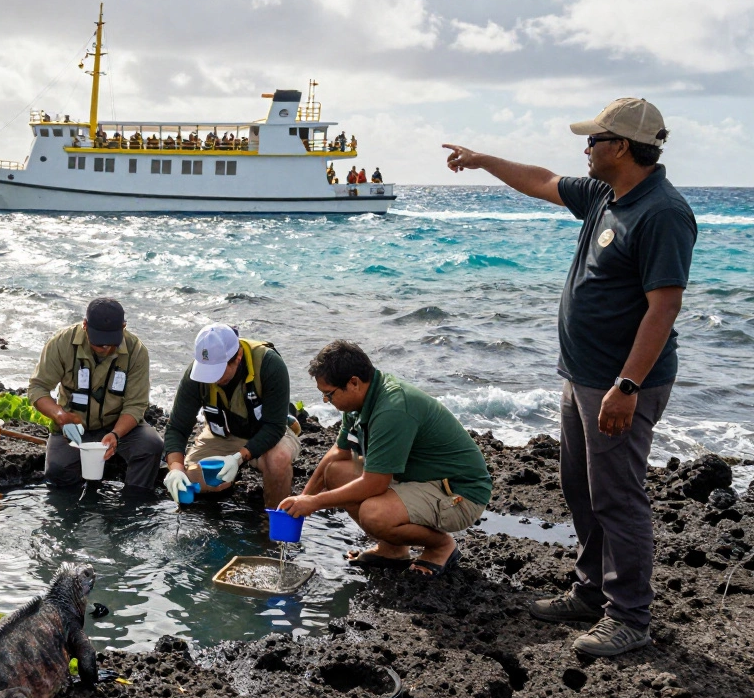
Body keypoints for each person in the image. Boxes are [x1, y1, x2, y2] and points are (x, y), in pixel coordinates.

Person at [443, 97, 696, 656]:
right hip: (582, 376)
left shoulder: (662, 212)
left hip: (621, 384)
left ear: (622, 147)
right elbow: (540, 180)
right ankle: (591, 592)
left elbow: (664, 308)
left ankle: (630, 616)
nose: (585, 148)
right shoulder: (608, 194)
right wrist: (484, 159)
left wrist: (626, 386)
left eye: (594, 139)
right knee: (581, 491)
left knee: (618, 499)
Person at [279, 341, 492, 578]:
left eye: (328, 394)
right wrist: (305, 497)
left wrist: (316, 503)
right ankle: (392, 549)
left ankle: (441, 546)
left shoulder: (392, 408)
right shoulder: (359, 403)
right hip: (419, 480)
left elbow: (375, 483)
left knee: (374, 514)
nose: (326, 401)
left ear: (354, 383)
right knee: (336, 472)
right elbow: (338, 453)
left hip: (458, 493)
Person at [27, 298, 164, 493]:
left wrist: (116, 434)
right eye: (99, 343)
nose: (106, 348)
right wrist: (60, 416)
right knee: (58, 470)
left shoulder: (136, 351)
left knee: (151, 445)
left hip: (120, 426)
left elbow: (136, 405)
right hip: (74, 427)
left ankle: (134, 503)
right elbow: (37, 388)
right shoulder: (61, 343)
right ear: (85, 326)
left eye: (112, 342)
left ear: (124, 327)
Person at [162, 325, 299, 509]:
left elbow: (274, 428)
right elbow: (177, 428)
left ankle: (273, 526)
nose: (211, 379)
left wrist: (238, 458)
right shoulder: (196, 374)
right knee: (191, 479)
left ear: (238, 357)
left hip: (268, 432)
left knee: (277, 460)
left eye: (217, 372)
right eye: (206, 372)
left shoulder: (269, 364)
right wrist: (176, 469)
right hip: (224, 433)